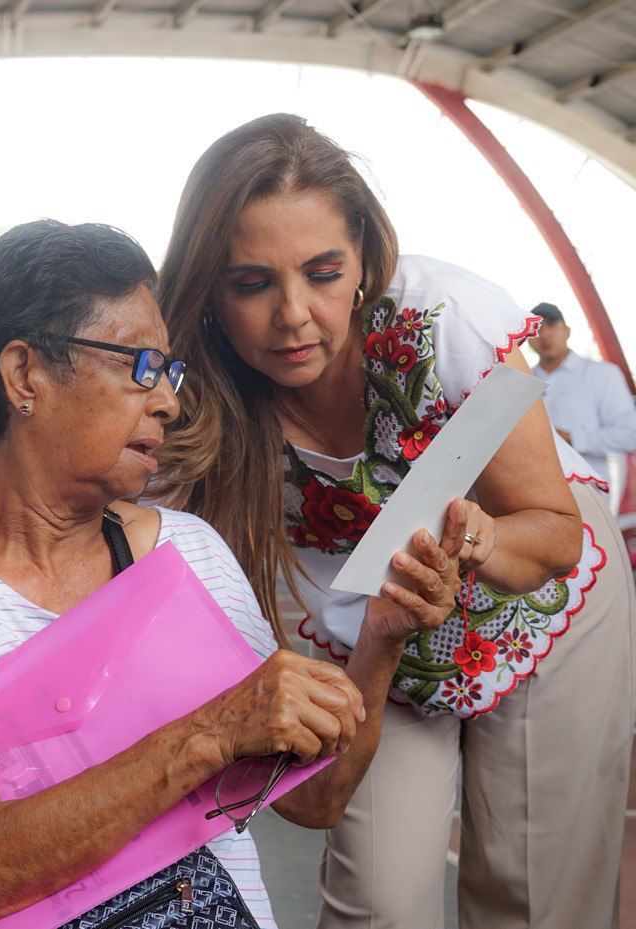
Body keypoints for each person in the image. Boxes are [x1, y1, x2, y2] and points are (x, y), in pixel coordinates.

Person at [0, 220, 463, 929]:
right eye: (142, 366)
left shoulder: (189, 553)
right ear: (25, 375)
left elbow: (312, 799)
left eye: (170, 373)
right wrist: (209, 735)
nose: (168, 402)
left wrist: (381, 639)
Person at [155, 114, 635, 929]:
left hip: (543, 597)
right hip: (379, 634)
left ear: (364, 258)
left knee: (532, 895)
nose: (294, 314)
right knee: (379, 898)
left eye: (322, 272)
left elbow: (554, 532)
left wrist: (477, 540)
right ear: (209, 289)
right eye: (251, 283)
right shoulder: (196, 406)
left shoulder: (444, 318)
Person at [528, 301, 636, 492]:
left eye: (551, 325)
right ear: (527, 340)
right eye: (536, 329)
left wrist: (572, 438)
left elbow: (630, 435)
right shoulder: (524, 380)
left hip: (587, 490)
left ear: (567, 331)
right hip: (534, 489)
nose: (544, 334)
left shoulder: (602, 373)